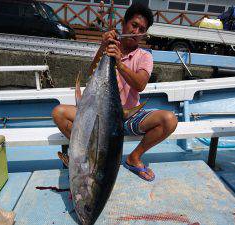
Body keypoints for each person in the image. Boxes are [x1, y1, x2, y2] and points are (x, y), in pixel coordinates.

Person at [52, 3, 178, 182]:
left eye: (141, 29)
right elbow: (91, 74)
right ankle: (85, 151)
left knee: (169, 120)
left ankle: (134, 157)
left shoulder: (145, 56)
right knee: (59, 113)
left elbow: (140, 84)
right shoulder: (108, 48)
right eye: (134, 25)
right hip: (98, 116)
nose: (136, 32)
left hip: (128, 116)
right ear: (123, 24)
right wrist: (103, 47)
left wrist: (119, 63)